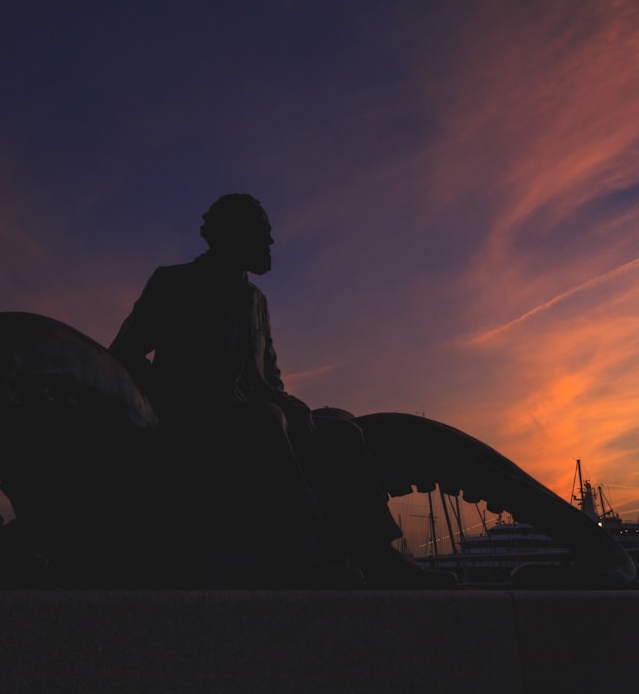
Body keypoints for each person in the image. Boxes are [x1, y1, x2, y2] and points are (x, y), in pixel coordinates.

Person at [110, 193, 453, 588]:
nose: (271, 244)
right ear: (231, 236)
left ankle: (376, 553)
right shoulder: (174, 282)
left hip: (253, 416)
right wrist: (174, 398)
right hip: (191, 422)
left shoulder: (256, 300)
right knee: (265, 418)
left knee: (341, 428)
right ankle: (304, 554)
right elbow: (123, 354)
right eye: (262, 234)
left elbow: (269, 381)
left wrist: (295, 406)